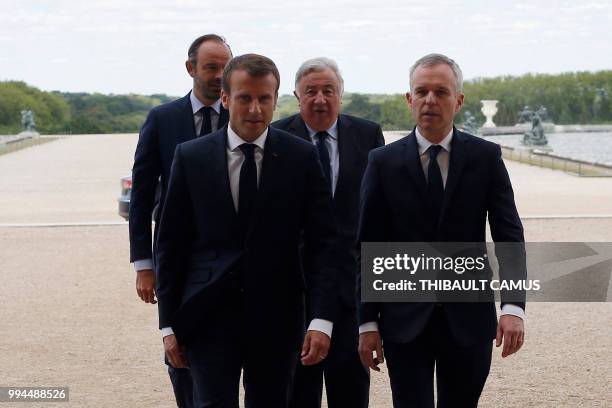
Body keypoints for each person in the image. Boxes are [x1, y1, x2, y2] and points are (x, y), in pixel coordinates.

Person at [155, 53, 339, 408]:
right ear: (225, 98)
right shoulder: (191, 157)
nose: (255, 109)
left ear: (276, 99)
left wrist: (320, 319)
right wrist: (168, 326)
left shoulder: (301, 157)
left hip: (279, 317)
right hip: (207, 316)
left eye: (264, 98)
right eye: (245, 98)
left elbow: (323, 244)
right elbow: (170, 245)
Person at [357, 53, 526, 408]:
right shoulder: (382, 163)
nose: (430, 100)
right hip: (403, 320)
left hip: (469, 318)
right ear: (409, 99)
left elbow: (509, 236)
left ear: (458, 100)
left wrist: (513, 306)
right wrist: (367, 322)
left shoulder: (486, 158)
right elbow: (368, 246)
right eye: (422, 91)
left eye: (441, 92)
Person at [272, 57, 384, 408]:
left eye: (328, 91)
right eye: (311, 92)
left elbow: (380, 215)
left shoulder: (368, 135)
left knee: (350, 393)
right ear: (296, 95)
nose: (320, 99)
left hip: (352, 292)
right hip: (296, 291)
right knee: (296, 394)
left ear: (341, 95)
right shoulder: (275, 138)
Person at [128, 34, 232, 407]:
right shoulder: (162, 119)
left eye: (225, 67)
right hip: (178, 260)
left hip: (232, 258)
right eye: (211, 67)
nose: (220, 75)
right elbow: (141, 197)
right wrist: (144, 264)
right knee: (181, 353)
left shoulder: (243, 118)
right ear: (190, 69)